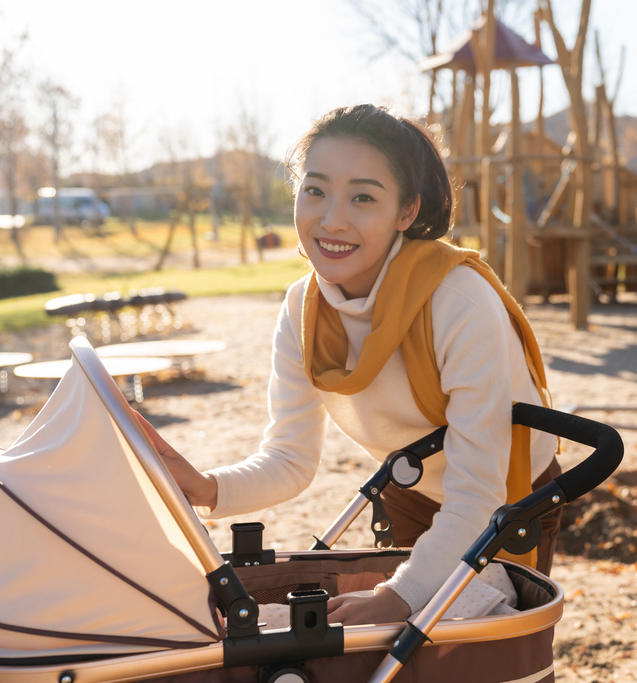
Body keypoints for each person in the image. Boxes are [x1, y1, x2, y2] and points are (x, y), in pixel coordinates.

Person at [135, 104, 560, 626]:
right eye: (314, 190)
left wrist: (397, 597)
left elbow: (478, 494)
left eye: (363, 197)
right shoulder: (304, 309)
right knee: (407, 656)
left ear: (406, 213)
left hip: (509, 497)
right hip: (414, 486)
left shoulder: (458, 302)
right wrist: (206, 488)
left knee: (484, 651)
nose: (331, 219)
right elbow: (290, 458)